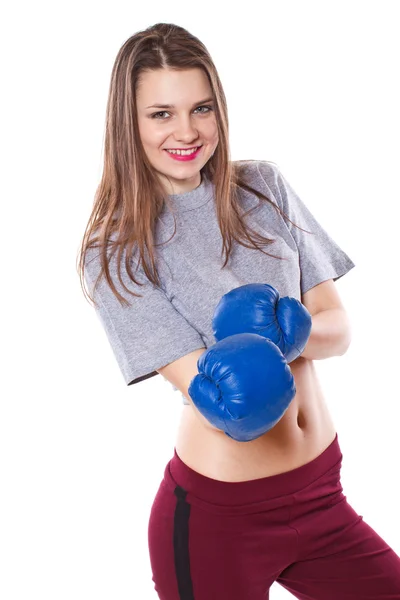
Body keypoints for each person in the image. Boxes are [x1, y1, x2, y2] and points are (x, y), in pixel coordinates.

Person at [78, 22, 400, 600]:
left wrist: (291, 332)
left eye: (201, 108)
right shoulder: (117, 252)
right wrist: (269, 349)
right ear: (128, 124)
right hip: (220, 521)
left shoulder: (263, 188)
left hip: (323, 494)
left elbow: (340, 327)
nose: (186, 131)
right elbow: (224, 400)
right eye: (161, 114)